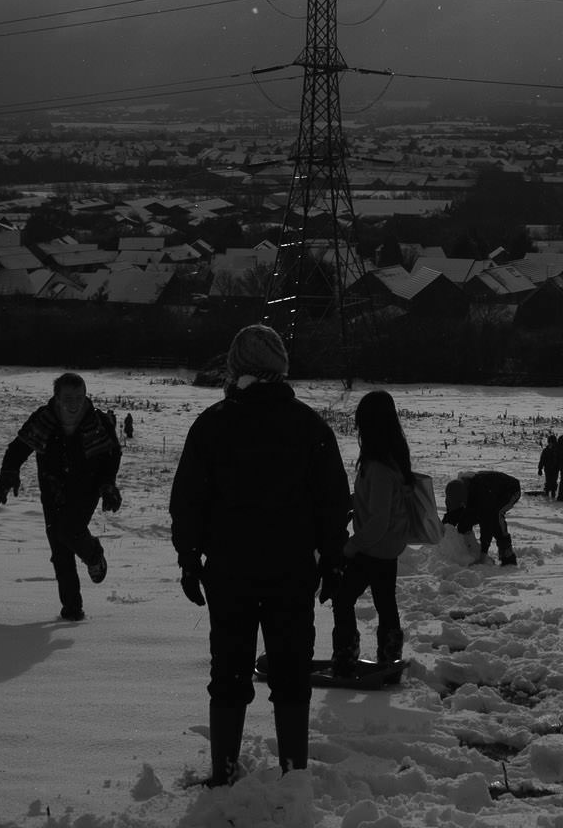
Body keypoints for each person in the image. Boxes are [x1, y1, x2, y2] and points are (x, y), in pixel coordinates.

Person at [168, 325, 350, 786]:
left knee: (228, 673)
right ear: (280, 369)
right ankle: (294, 774)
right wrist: (331, 560)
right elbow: (333, 502)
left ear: (236, 370)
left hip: (230, 572)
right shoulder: (309, 426)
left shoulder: (213, 425)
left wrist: (189, 559)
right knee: (291, 674)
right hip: (291, 572)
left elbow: (188, 499)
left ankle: (224, 773)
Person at [0, 372, 124, 620]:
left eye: (79, 397)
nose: (74, 403)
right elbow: (18, 447)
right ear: (57, 397)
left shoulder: (97, 421)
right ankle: (72, 609)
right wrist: (8, 472)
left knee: (69, 531)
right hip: (52, 490)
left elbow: (112, 454)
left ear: (85, 396)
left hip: (87, 488)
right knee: (60, 551)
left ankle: (94, 554)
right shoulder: (44, 419)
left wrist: (108, 485)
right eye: (68, 397)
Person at [332, 390, 414, 672]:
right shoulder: (391, 460)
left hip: (373, 548)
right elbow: (378, 505)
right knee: (385, 602)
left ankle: (345, 654)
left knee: (342, 599)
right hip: (387, 548)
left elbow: (378, 520)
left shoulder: (378, 467)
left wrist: (351, 546)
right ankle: (389, 657)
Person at [443, 470, 523, 565]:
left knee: (495, 517)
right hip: (482, 493)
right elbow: (451, 515)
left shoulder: (482, 494)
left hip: (510, 490)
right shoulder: (454, 492)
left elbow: (486, 524)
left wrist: (483, 554)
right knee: (465, 520)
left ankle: (507, 553)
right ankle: (470, 549)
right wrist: (441, 533)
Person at [537, 433, 559, 498]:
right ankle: (547, 491)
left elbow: (560, 459)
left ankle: (553, 492)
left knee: (554, 481)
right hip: (548, 468)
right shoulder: (546, 450)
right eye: (550, 442)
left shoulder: (557, 450)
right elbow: (542, 460)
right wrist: (540, 469)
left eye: (552, 442)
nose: (551, 444)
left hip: (555, 468)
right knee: (548, 480)